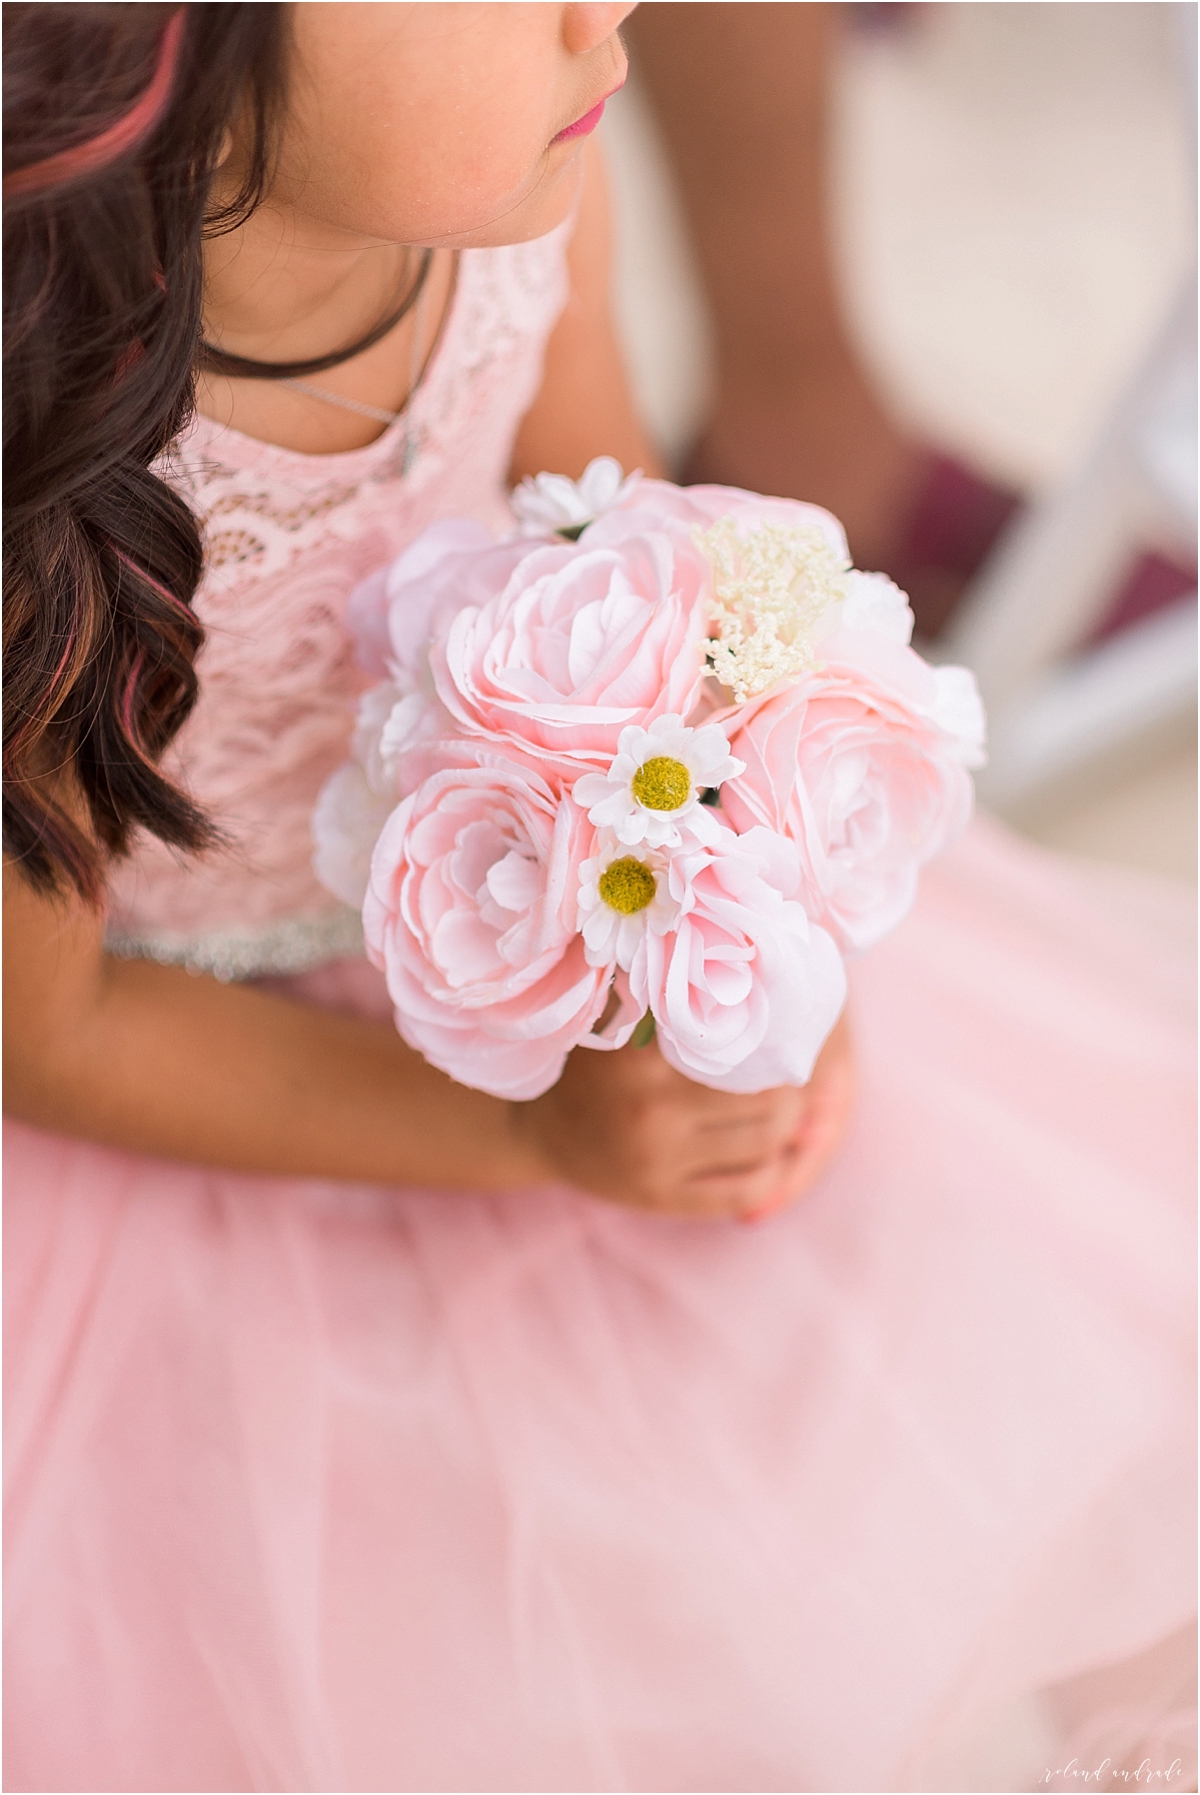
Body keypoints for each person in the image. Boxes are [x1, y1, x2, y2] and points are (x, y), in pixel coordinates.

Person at [3, 6, 1193, 1790]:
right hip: (208, 1092)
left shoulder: (520, 210)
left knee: (984, 1391)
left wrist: (745, 928)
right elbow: (52, 1033)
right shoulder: (54, 482)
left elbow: (636, 569)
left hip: (549, 965)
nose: (606, 7)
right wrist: (544, 1146)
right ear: (160, 48)